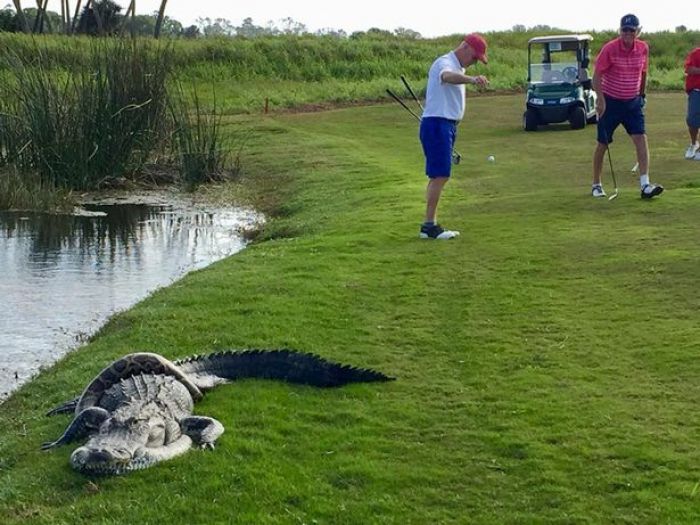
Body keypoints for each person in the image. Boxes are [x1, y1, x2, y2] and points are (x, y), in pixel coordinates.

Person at [418, 34, 489, 240]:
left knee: (439, 175)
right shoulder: (445, 62)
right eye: (475, 57)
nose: (475, 62)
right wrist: (472, 80)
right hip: (438, 123)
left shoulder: (460, 67)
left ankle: (429, 225)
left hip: (445, 124)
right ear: (465, 47)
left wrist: (468, 76)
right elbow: (446, 77)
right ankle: (429, 226)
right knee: (440, 175)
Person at [591, 14, 663, 199]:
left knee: (641, 138)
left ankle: (645, 185)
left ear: (638, 31)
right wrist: (600, 99)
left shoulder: (643, 48)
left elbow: (643, 72)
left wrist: (642, 95)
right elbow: (597, 76)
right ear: (620, 30)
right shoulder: (609, 49)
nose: (628, 33)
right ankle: (596, 184)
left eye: (632, 30)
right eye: (625, 30)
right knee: (603, 143)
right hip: (611, 102)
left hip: (632, 103)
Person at [683, 45, 700, 159]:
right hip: (696, 90)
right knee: (692, 119)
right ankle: (694, 144)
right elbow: (689, 69)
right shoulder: (696, 53)